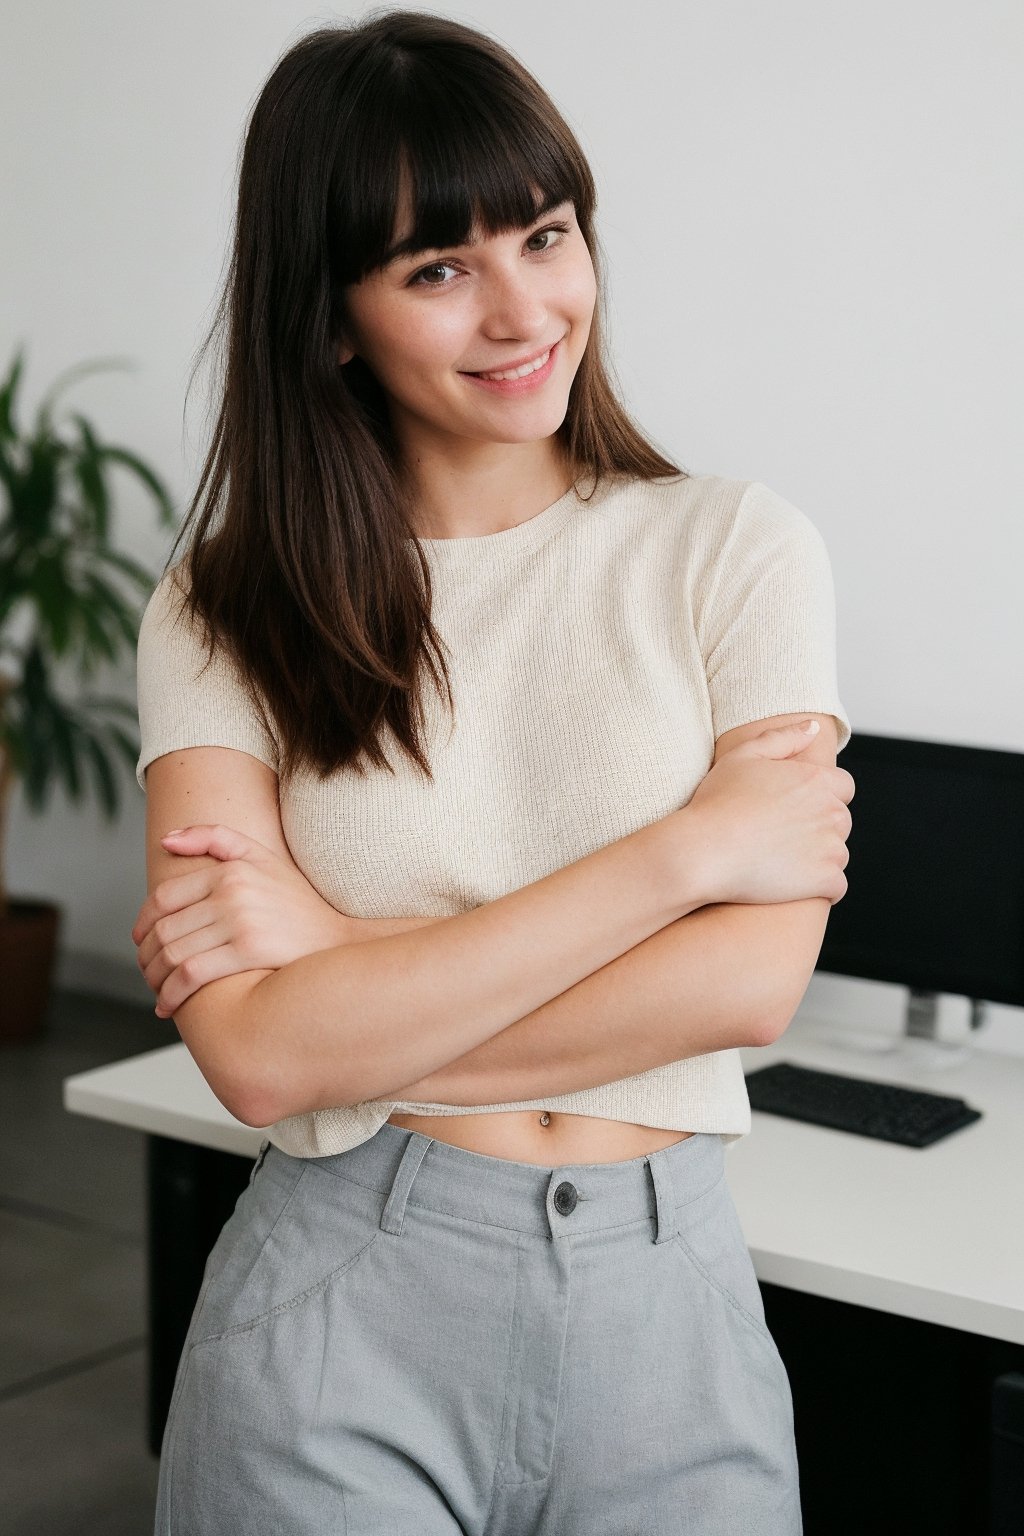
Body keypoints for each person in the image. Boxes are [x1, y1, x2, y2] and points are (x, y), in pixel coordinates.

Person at [131, 10, 854, 1533]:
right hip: (341, 1307)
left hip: (671, 1313)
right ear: (332, 317)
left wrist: (341, 974)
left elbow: (748, 989)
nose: (524, 311)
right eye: (438, 269)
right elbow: (256, 1065)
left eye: (546, 234)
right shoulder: (225, 604)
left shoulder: (734, 549)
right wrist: (681, 860)